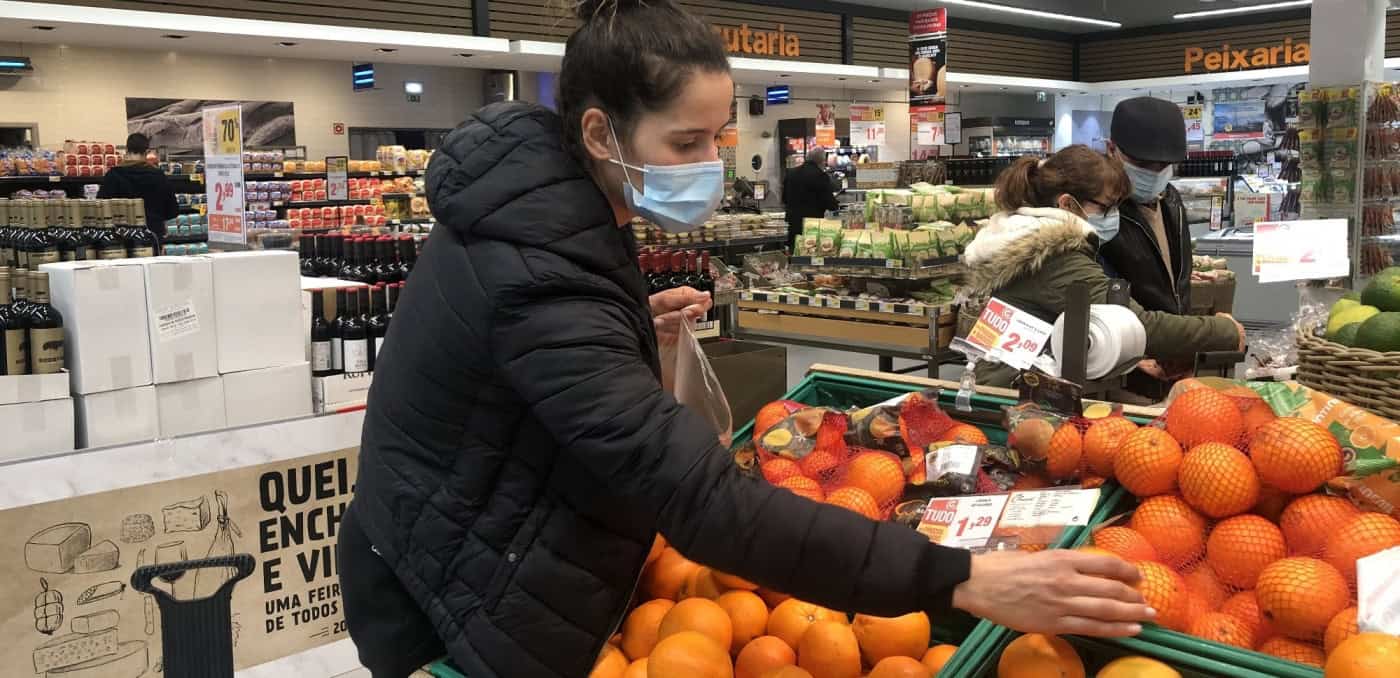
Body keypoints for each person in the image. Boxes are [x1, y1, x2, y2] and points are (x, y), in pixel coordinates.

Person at [338, 3, 1151, 677]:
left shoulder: (549, 206)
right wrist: (961, 577)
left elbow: (522, 356)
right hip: (445, 587)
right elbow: (700, 501)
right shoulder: (535, 270)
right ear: (598, 133)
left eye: (718, 136)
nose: (712, 163)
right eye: (686, 144)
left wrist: (622, 329)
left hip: (486, 536)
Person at [960, 146, 1246, 388]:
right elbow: (1141, 325)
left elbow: (1061, 327)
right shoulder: (1055, 259)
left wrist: (1126, 353)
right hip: (1019, 398)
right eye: (1107, 207)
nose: (1114, 216)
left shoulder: (1024, 238)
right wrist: (1224, 330)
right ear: (1068, 204)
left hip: (1010, 385)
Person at [1101, 97, 1192, 316]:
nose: (1153, 174)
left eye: (1163, 165)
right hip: (1123, 340)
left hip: (1174, 338)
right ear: (1111, 149)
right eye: (1141, 164)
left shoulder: (1171, 199)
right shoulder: (1096, 209)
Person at [97, 133, 178, 239]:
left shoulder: (113, 175)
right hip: (152, 234)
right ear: (147, 152)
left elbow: (101, 208)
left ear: (126, 150)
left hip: (121, 237)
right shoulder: (158, 176)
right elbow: (172, 211)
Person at [782, 146, 838, 246]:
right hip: (812, 226)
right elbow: (830, 204)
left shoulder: (791, 173)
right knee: (808, 251)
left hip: (793, 223)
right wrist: (835, 205)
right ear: (822, 161)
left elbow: (784, 199)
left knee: (794, 251)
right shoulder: (821, 176)